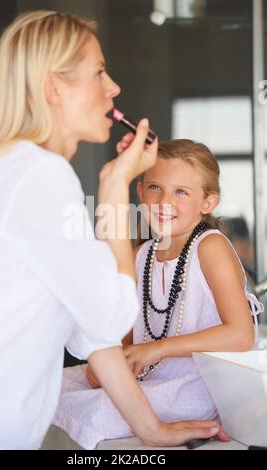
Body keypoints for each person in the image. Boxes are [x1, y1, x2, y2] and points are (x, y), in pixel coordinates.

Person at [0, 12, 227, 450]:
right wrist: (113, 187)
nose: (113, 88)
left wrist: (150, 429)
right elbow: (112, 316)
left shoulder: (8, 168)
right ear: (54, 88)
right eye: (99, 72)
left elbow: (93, 329)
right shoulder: (39, 175)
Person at [53, 139, 261, 449]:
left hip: (200, 386)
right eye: (154, 188)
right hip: (149, 376)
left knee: (97, 410)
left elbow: (241, 335)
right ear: (139, 192)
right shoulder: (141, 255)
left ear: (207, 202)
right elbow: (124, 335)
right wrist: (108, 366)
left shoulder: (211, 247)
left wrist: (158, 349)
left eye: (181, 192)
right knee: (50, 389)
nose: (164, 201)